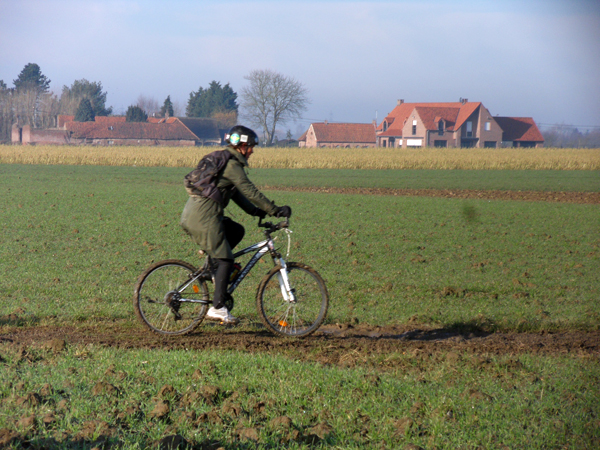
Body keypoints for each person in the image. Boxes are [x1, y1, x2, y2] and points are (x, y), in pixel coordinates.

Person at [180, 125, 292, 324]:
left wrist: (257, 212)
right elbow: (250, 191)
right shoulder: (232, 166)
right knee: (226, 260)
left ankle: (212, 270)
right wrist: (274, 210)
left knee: (236, 231)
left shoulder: (227, 163)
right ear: (241, 146)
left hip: (196, 215)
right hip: (204, 218)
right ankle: (218, 308)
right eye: (250, 147)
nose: (252, 151)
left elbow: (238, 197)